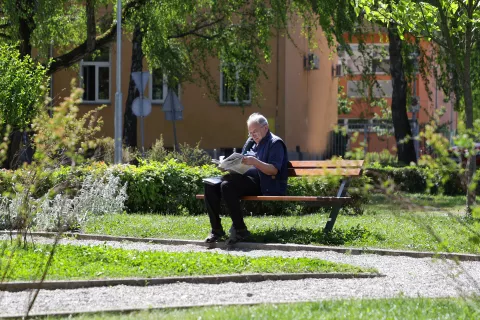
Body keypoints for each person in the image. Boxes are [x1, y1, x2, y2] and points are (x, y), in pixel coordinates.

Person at [204, 113, 289, 244]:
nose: (252, 135)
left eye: (255, 131)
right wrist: (229, 166)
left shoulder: (275, 143)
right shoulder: (250, 143)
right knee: (210, 184)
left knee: (227, 186)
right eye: (250, 132)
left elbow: (274, 170)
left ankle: (240, 230)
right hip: (245, 179)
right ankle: (216, 230)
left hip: (265, 184)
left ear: (265, 128)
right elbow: (242, 161)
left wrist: (255, 161)